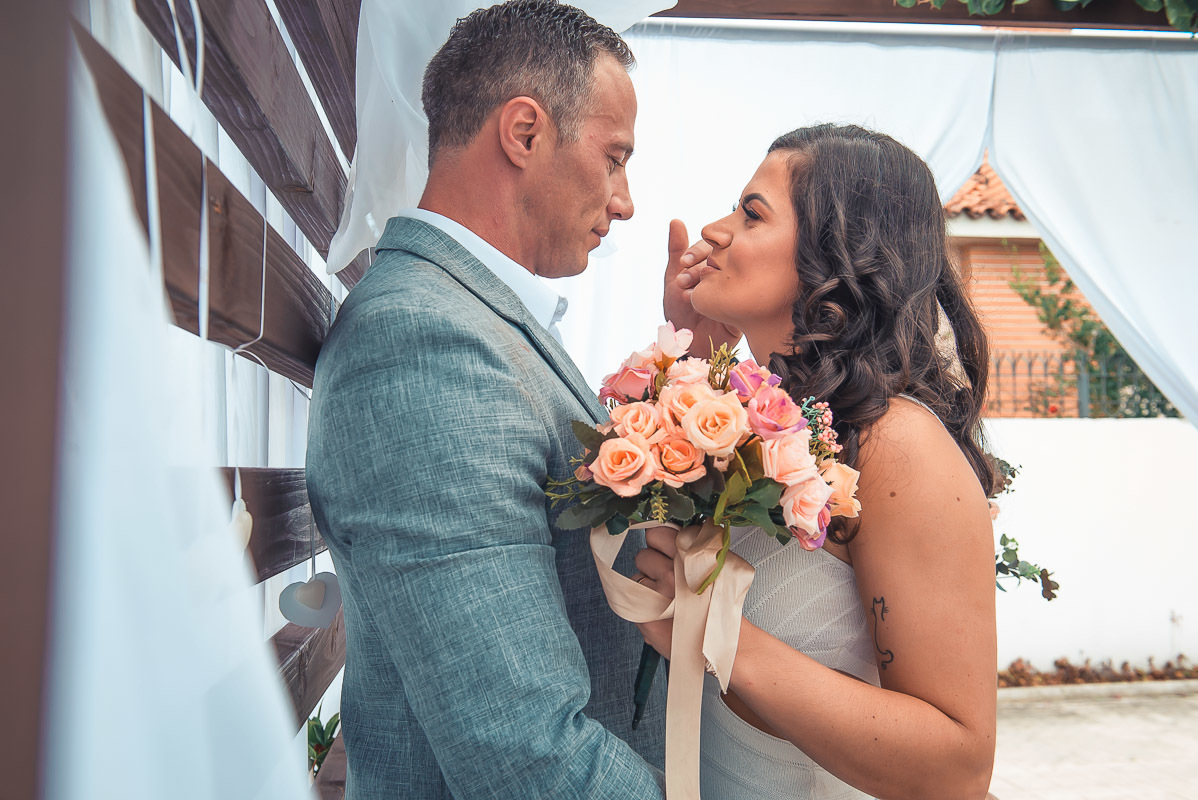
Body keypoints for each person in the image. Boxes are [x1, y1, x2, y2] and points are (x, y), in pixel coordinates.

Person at [305, 2, 666, 798]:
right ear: (525, 132)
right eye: (614, 157)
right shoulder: (422, 347)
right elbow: (527, 750)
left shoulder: (465, 319)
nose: (626, 199)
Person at [635, 124, 999, 799]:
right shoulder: (752, 422)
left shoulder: (897, 444)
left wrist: (722, 633)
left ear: (834, 255)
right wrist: (692, 363)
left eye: (751, 214)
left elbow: (959, 769)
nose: (713, 231)